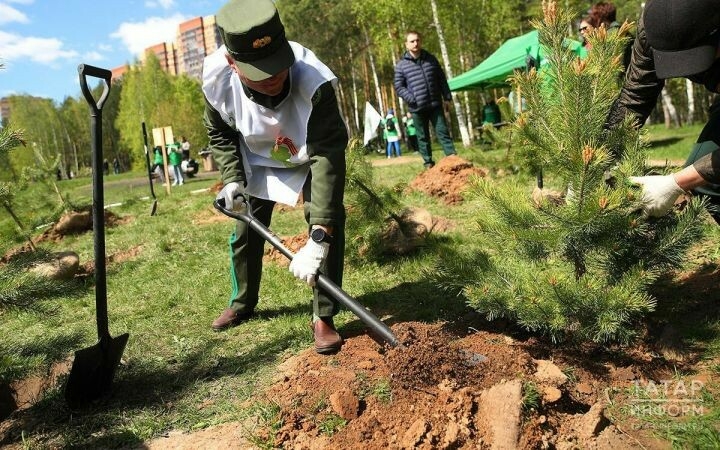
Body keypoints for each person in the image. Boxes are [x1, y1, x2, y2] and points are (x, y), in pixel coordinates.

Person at [203, 0, 348, 354]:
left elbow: (328, 156)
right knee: (244, 231)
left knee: (326, 228)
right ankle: (242, 302)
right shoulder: (215, 80)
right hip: (257, 157)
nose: (274, 77)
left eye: (277, 66)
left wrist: (319, 235)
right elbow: (220, 135)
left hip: (308, 153)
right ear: (231, 62)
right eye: (260, 71)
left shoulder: (315, 81)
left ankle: (324, 316)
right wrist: (233, 179)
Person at [603, 0, 720, 221]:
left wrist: (676, 183)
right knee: (709, 185)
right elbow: (635, 96)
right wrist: (596, 161)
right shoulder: (655, 26)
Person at [393, 30, 456, 169]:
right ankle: (428, 163)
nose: (415, 43)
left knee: (443, 132)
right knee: (422, 137)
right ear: (406, 44)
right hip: (417, 108)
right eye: (412, 41)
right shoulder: (401, 65)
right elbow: (398, 86)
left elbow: (441, 79)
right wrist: (411, 98)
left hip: (435, 104)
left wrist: (447, 97)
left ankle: (453, 158)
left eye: (417, 40)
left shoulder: (431, 59)